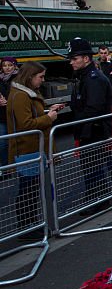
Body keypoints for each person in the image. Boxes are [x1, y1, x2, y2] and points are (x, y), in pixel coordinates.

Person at [5, 62, 64, 237]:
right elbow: (26, 124)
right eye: (41, 77)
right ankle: (26, 228)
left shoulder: (24, 94)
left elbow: (31, 116)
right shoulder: (21, 96)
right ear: (30, 77)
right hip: (26, 150)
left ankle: (30, 224)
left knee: (31, 190)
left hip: (31, 149)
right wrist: (49, 117)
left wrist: (47, 111)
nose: (42, 80)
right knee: (27, 191)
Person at [68, 38, 112, 145]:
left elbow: (94, 108)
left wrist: (74, 122)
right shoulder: (84, 76)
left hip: (94, 133)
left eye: (74, 59)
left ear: (86, 59)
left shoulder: (94, 79)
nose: (71, 62)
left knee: (93, 161)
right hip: (88, 131)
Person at [0, 57, 18, 165]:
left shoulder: (19, 78)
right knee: (2, 143)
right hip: (2, 116)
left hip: (15, 116)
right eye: (4, 65)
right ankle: (5, 167)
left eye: (10, 65)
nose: (7, 68)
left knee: (16, 142)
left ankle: (16, 166)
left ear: (15, 66)